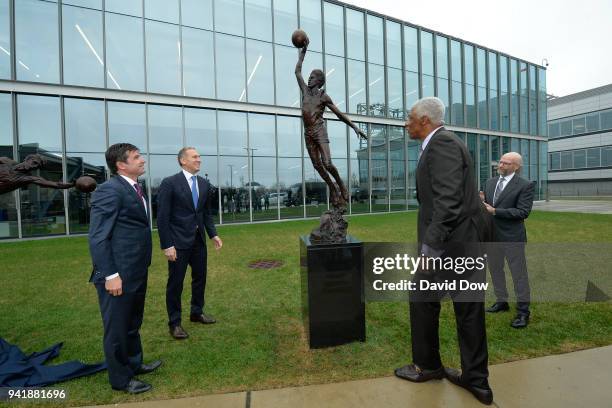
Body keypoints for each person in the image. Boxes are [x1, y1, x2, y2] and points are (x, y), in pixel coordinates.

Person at [394, 97, 493, 405]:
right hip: (460, 243)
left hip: (451, 246)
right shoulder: (442, 144)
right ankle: (474, 380)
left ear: (425, 121)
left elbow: (447, 203)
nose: (406, 123)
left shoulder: (442, 145)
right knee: (464, 309)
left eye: (410, 118)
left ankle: (431, 367)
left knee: (429, 300)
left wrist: (430, 249)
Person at [88, 143, 161, 394]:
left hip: (136, 269)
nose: (142, 160)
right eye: (136, 157)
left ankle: (133, 363)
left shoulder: (134, 188)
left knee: (132, 322)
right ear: (121, 164)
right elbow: (98, 237)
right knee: (117, 327)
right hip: (117, 274)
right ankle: (120, 379)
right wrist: (110, 275)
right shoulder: (110, 190)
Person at [156, 147, 223, 340]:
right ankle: (175, 323)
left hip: (198, 241)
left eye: (199, 156)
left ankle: (196, 312)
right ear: (182, 161)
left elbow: (204, 213)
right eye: (195, 157)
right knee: (175, 283)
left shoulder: (203, 184)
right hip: (177, 243)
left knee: (200, 278)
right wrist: (167, 245)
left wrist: (213, 234)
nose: (199, 160)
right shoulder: (170, 183)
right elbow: (162, 217)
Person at [295, 37, 367, 206]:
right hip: (308, 133)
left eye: (312, 77)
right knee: (318, 166)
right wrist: (303, 52)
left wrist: (354, 127)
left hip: (319, 131)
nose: (309, 79)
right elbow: (297, 71)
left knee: (327, 163)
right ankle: (333, 189)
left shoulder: (323, 96)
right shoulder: (305, 91)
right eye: (310, 77)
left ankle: (341, 184)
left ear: (319, 81)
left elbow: (339, 114)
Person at [482, 152, 535, 328]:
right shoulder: (489, 182)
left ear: (516, 167)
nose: (501, 165)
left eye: (506, 163)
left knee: (519, 275)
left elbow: (523, 212)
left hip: (513, 238)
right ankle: (501, 302)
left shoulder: (525, 185)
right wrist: (482, 202)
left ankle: (523, 312)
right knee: (496, 271)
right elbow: (487, 207)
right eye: (500, 162)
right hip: (492, 237)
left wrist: (495, 211)